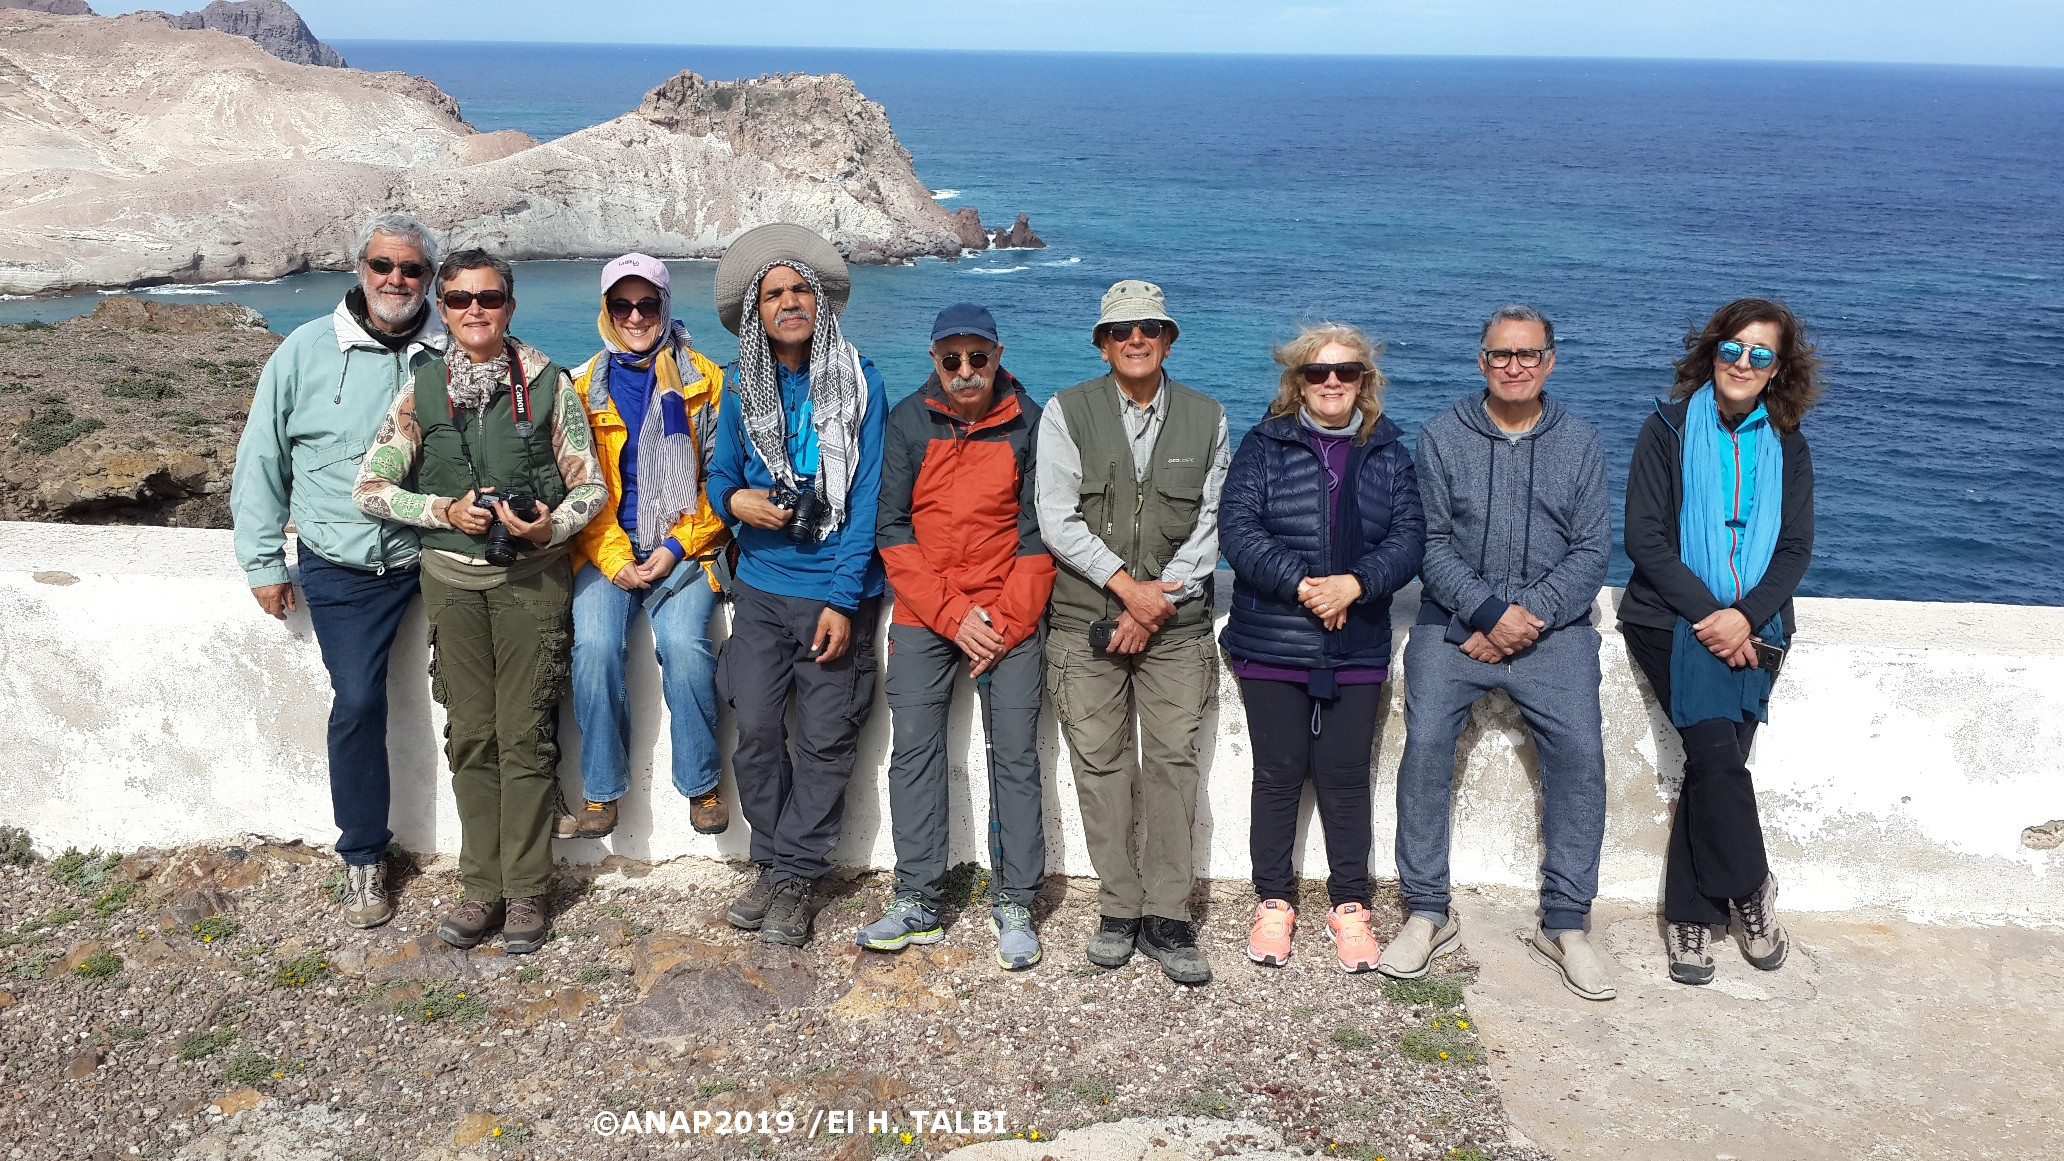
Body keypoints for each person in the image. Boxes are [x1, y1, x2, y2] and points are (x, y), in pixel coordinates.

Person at [352, 249, 605, 954]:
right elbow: (370, 487)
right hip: (452, 586)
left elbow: (591, 489)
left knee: (524, 734)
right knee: (470, 735)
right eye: (459, 299)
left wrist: (545, 525)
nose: (473, 311)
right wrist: (442, 510)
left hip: (531, 582)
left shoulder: (550, 383)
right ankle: (479, 886)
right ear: (442, 307)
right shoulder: (422, 388)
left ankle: (526, 890)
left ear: (509, 307)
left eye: (488, 298)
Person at [1383, 304, 1616, 1001]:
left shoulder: (1580, 442)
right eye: (1500, 355)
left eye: (1528, 354)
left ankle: (1566, 921)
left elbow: (1592, 550)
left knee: (1579, 749)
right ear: (1481, 361)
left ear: (1550, 360)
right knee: (1424, 742)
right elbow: (1429, 544)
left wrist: (1528, 618)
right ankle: (1427, 910)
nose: (1515, 366)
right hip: (1456, 623)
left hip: (1555, 629)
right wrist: (1487, 613)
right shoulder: (1440, 437)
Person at [231, 212, 447, 930]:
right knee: (357, 702)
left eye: (411, 270)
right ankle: (362, 855)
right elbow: (261, 458)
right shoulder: (303, 352)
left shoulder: (447, 350)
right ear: (361, 269)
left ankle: (510, 851)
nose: (396, 280)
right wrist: (264, 558)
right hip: (342, 564)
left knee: (502, 685)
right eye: (384, 266)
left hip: (437, 555)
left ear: (429, 281)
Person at [1619, 298, 1820, 986]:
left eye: (1761, 354)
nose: (1743, 363)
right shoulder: (1667, 428)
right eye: (1733, 349)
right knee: (1715, 754)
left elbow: (1795, 547)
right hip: (1671, 619)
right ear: (1712, 354)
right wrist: (1714, 614)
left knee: (1713, 768)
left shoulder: (1789, 443)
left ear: (1777, 369)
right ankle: (1753, 887)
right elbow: (1644, 538)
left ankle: (1690, 914)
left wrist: (1746, 615)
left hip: (1758, 626)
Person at [1035, 279, 1230, 986]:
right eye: (1122, 331)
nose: (1137, 339)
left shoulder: (1208, 417)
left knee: (1174, 763)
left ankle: (1169, 913)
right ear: (1103, 343)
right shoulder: (1066, 412)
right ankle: (1118, 907)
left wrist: (1154, 605)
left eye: (1150, 327)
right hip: (1087, 619)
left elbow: (1210, 526)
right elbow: (1058, 517)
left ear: (1169, 338)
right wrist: (1127, 591)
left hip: (1175, 628)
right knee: (1100, 763)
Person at [1217, 323, 1425, 973]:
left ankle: (1350, 904)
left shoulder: (1389, 452)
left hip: (1355, 644)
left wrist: (1355, 584)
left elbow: (1409, 538)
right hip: (1271, 640)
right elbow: (1237, 528)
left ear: (1365, 380)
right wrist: (1304, 586)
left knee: (1342, 776)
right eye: (1318, 371)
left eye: (1346, 370)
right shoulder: (1264, 445)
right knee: (1277, 774)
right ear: (1297, 380)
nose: (1332, 381)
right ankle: (1274, 899)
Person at [857, 303, 1056, 970]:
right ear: (934, 359)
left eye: (978, 357)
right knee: (913, 748)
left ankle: (1016, 900)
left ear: (998, 356)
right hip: (927, 611)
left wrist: (1001, 619)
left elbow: (1039, 533)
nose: (965, 371)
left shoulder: (1031, 422)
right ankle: (917, 896)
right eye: (952, 359)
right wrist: (953, 616)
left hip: (1008, 611)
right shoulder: (910, 421)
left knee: (1016, 755)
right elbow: (894, 530)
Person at [706, 224, 888, 948]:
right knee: (753, 728)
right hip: (759, 587)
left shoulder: (862, 379)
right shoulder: (738, 386)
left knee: (823, 737)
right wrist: (734, 503)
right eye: (774, 293)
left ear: (820, 301)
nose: (789, 302)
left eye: (800, 290)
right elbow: (720, 473)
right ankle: (775, 856)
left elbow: (867, 496)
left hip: (831, 590)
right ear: (758, 310)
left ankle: (794, 875)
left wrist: (844, 598)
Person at [561, 254, 732, 841]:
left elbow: (721, 479)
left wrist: (677, 548)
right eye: (622, 306)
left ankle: (702, 785)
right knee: (595, 647)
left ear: (665, 306)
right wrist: (615, 559)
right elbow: (581, 488)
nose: (636, 317)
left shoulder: (705, 381)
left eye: (648, 304)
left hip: (684, 546)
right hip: (608, 547)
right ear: (607, 312)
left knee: (685, 646)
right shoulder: (583, 388)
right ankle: (601, 791)